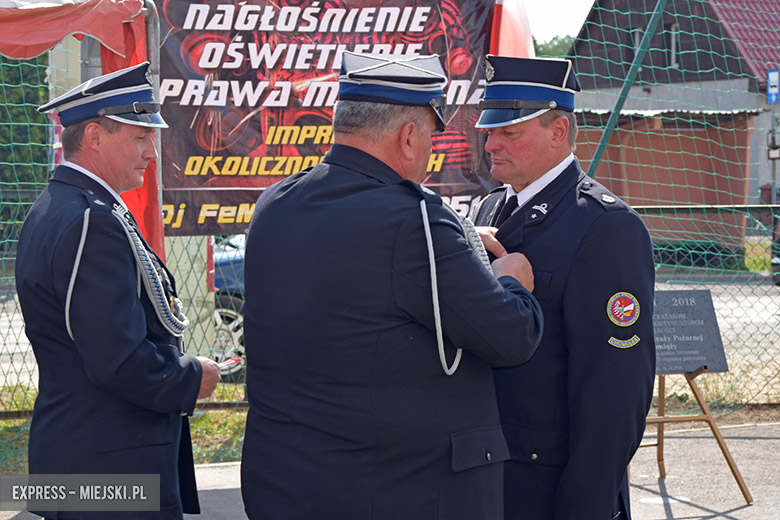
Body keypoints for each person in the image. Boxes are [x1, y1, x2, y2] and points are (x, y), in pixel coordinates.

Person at [240, 52, 544, 519]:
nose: (428, 153)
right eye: (429, 138)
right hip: (397, 491)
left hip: (287, 484)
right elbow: (509, 338)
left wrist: (458, 236)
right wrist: (512, 283)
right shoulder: (414, 221)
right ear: (407, 136)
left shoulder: (277, 201)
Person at [15, 62, 221, 519]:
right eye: (140, 137)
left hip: (88, 458)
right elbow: (118, 359)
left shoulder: (64, 206)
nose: (152, 152)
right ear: (94, 137)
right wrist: (192, 376)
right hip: (109, 469)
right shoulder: (92, 219)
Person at [469, 55, 656, 520]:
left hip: (549, 488)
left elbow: (615, 396)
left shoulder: (605, 227)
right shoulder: (489, 211)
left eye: (509, 132)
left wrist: (584, 508)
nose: (491, 144)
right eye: (489, 131)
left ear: (558, 132)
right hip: (488, 478)